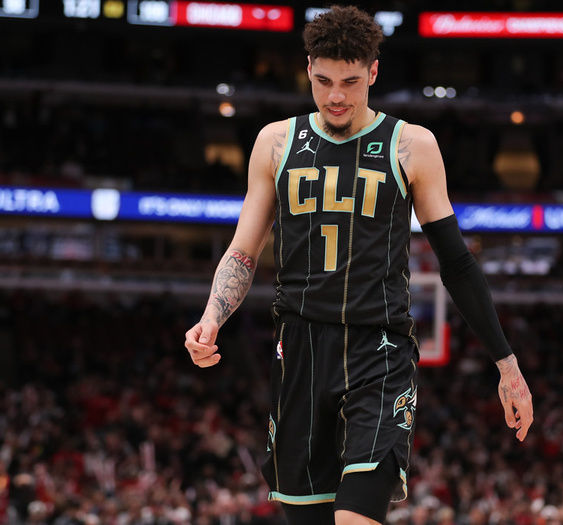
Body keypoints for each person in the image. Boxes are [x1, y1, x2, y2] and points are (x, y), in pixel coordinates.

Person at [184, 6, 533, 525]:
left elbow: (457, 263)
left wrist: (507, 364)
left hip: (379, 350)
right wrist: (212, 317)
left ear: (373, 72)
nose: (336, 96)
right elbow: (243, 251)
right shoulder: (274, 142)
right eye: (323, 81)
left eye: (350, 81)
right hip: (299, 351)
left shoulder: (412, 145)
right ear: (308, 69)